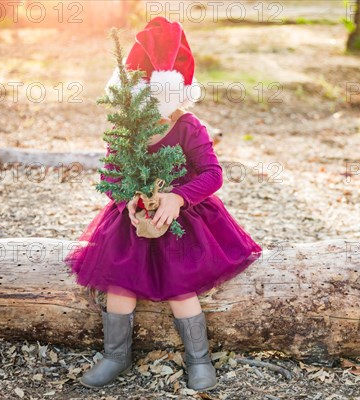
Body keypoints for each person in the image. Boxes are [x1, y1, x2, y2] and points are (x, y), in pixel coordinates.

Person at [63, 17, 263, 392]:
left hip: (185, 218)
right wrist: (130, 206)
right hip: (133, 221)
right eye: (142, 103)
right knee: (119, 287)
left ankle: (198, 359)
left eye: (158, 103)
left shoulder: (189, 127)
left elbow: (212, 174)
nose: (151, 113)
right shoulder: (126, 127)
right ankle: (115, 355)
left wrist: (177, 196)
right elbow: (113, 174)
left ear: (177, 95)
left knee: (180, 288)